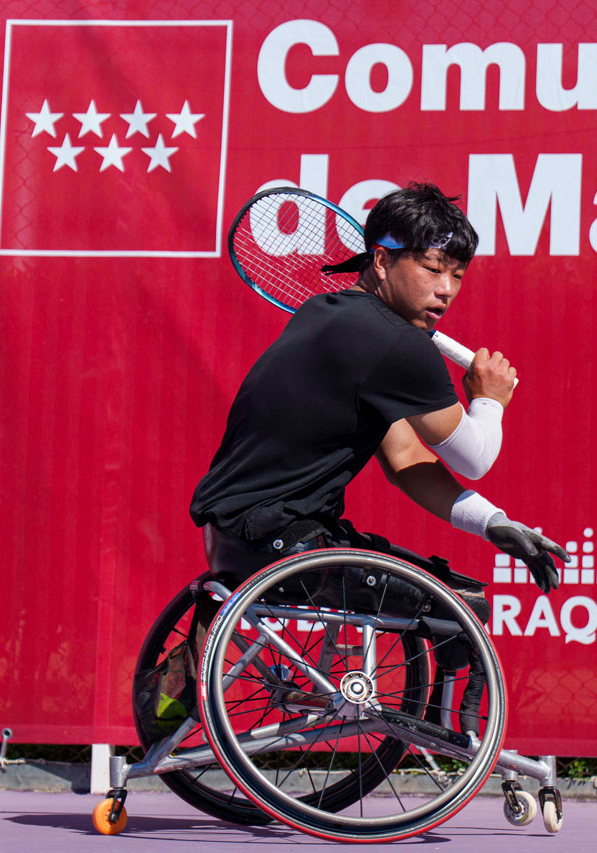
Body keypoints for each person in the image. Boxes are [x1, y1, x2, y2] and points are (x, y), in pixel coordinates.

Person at [189, 181, 569, 606]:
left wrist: (492, 522)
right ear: (383, 261)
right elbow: (474, 459)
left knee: (450, 592)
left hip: (232, 547)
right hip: (286, 547)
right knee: (461, 607)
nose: (446, 289)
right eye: (433, 268)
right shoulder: (396, 343)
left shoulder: (327, 313)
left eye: (457, 274)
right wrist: (489, 399)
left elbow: (405, 457)